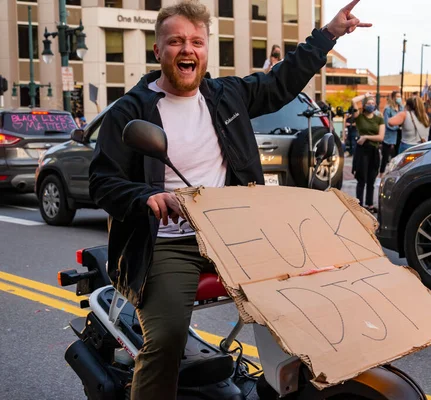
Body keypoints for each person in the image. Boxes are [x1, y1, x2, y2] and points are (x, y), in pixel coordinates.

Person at [87, 1, 370, 399]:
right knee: (166, 337)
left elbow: (281, 81)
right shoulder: (131, 111)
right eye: (176, 41)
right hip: (169, 242)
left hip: (235, 235)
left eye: (196, 41)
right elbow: (102, 182)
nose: (187, 49)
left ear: (206, 51)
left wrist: (329, 34)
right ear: (158, 51)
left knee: (308, 298)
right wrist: (147, 196)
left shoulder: (226, 96)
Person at [350, 93, 384, 212]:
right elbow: (353, 100)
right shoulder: (359, 117)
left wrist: (366, 137)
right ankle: (358, 204)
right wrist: (365, 95)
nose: (371, 105)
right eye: (368, 103)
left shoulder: (379, 118)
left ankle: (369, 204)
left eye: (373, 103)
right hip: (362, 151)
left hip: (374, 151)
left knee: (371, 179)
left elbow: (381, 137)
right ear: (364, 105)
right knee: (361, 179)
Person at [380, 91, 403, 176]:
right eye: (397, 96)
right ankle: (381, 174)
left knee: (397, 155)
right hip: (389, 135)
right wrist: (398, 127)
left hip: (399, 135)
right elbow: (387, 123)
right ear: (393, 98)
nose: (399, 98)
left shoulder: (402, 108)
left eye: (400, 96)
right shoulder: (388, 109)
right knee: (385, 157)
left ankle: (394, 174)